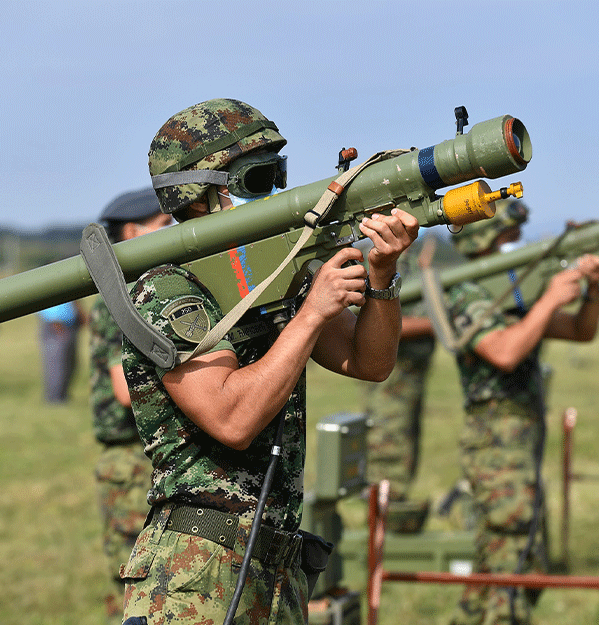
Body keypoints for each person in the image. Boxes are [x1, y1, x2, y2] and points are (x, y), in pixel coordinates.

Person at [118, 98, 418, 625]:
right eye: (258, 178)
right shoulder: (167, 290)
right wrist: (311, 313)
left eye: (277, 174)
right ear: (205, 193)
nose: (276, 193)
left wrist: (381, 277)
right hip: (198, 569)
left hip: (275, 559)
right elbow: (231, 417)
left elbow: (366, 362)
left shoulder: (264, 275)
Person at [444, 201, 599, 625]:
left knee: (523, 554)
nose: (515, 248)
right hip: (494, 443)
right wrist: (550, 298)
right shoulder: (466, 293)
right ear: (484, 240)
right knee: (509, 544)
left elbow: (580, 330)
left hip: (522, 440)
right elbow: (504, 351)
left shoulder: (515, 295)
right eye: (507, 240)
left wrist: (592, 288)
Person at [87, 187, 172, 619]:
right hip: (130, 460)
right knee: (133, 587)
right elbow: (125, 390)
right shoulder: (118, 296)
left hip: (146, 456)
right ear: (135, 232)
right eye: (164, 226)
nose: (173, 232)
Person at [361, 239, 436, 532]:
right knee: (388, 447)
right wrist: (435, 324)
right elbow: (380, 321)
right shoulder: (380, 266)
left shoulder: (412, 262)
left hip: (410, 378)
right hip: (391, 382)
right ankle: (384, 527)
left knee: (405, 446)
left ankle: (395, 519)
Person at [38, 299, 86, 403]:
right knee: (57, 364)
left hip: (71, 322)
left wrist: (80, 312)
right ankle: (55, 400)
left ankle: (63, 396)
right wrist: (54, 318)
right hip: (56, 324)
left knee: (70, 363)